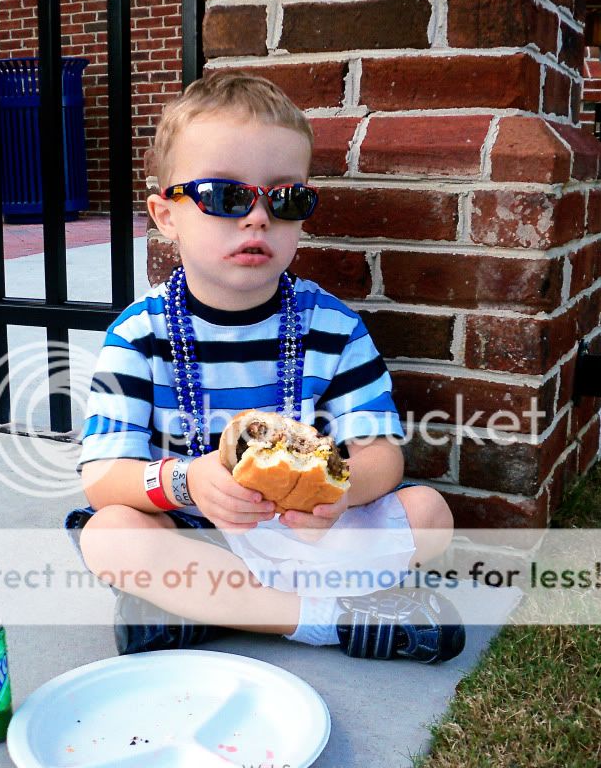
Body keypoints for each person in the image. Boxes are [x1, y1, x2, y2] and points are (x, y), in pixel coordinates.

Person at [67, 71, 465, 663]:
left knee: (430, 516)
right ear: (166, 215)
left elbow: (381, 452)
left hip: (305, 530)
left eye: (285, 199)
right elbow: (103, 477)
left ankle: (204, 613)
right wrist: (186, 480)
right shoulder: (139, 333)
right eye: (225, 196)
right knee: (112, 537)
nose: (257, 218)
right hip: (198, 529)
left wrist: (344, 491)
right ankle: (325, 620)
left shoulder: (330, 326)